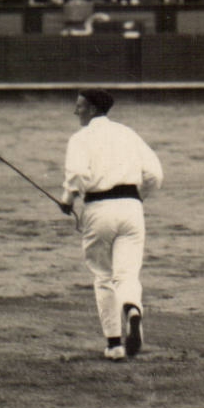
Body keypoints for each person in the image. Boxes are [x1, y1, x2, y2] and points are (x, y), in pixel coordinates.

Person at [57, 89, 164, 361]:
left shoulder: (80, 138)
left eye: (79, 106)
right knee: (127, 274)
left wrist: (68, 199)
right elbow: (154, 174)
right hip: (131, 208)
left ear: (92, 109)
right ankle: (133, 308)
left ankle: (115, 344)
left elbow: (78, 174)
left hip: (98, 209)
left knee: (103, 276)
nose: (76, 111)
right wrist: (138, 198)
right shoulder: (128, 133)